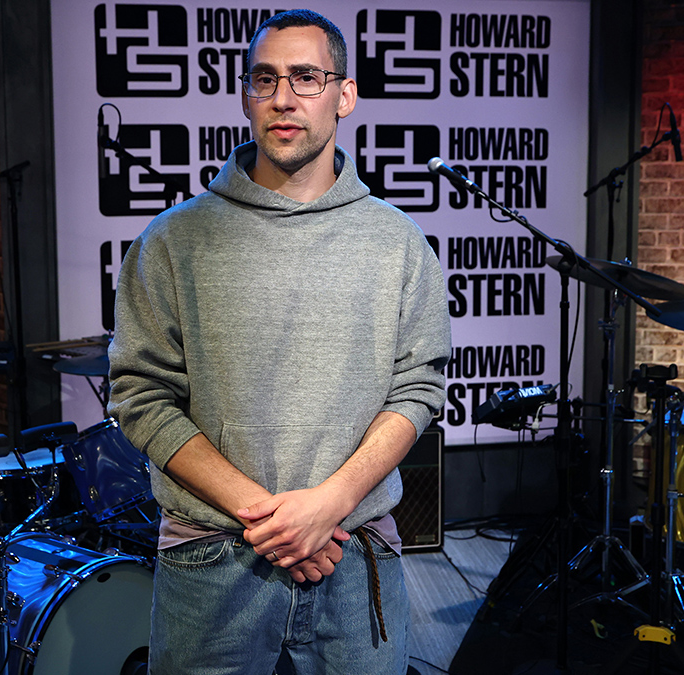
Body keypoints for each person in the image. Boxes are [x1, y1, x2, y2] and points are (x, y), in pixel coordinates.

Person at [108, 9, 451, 674]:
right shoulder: (173, 240)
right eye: (264, 80)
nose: (284, 98)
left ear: (344, 94)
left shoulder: (397, 241)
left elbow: (418, 388)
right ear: (245, 96)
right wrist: (278, 521)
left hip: (353, 550)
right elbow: (141, 395)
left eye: (306, 77)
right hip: (211, 555)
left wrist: (328, 505)